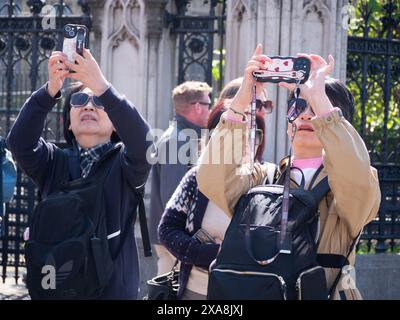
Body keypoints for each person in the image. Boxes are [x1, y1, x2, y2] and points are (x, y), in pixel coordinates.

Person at [196, 44, 381, 300]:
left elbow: (356, 180)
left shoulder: (354, 180)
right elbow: (211, 178)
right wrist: (242, 99)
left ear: (340, 122)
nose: (306, 116)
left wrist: (319, 97)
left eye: (315, 109)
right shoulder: (264, 178)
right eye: (298, 107)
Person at [7, 49, 153, 299]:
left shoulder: (125, 166)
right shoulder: (53, 162)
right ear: (69, 124)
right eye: (78, 102)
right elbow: (19, 143)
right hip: (58, 291)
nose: (88, 106)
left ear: (116, 124)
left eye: (98, 102)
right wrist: (50, 89)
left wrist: (102, 88)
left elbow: (145, 145)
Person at [158, 78, 271, 300]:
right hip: (196, 292)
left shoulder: (270, 180)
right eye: (236, 133)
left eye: (253, 133)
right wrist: (209, 254)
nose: (246, 141)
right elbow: (167, 229)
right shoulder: (196, 177)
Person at [149, 81, 212, 275]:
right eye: (209, 105)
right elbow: (172, 194)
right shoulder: (177, 140)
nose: (211, 110)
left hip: (176, 238)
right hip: (174, 239)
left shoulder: (184, 136)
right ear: (198, 107)